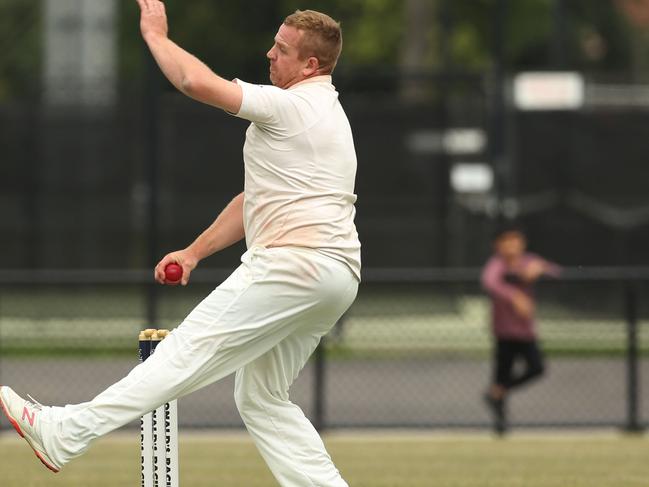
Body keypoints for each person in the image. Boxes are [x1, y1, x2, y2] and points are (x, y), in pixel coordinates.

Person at [0, 4, 360, 486]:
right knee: (261, 396)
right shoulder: (328, 115)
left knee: (181, 354)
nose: (269, 53)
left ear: (311, 66)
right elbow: (253, 199)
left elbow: (195, 82)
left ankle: (65, 432)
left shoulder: (292, 106)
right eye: (274, 42)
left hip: (292, 266)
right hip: (337, 277)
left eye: (283, 49)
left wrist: (156, 37)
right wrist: (194, 252)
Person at [481, 225, 560, 434]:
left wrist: (541, 269)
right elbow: (490, 282)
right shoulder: (496, 265)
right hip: (504, 331)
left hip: (526, 332)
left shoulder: (529, 261)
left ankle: (496, 392)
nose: (512, 246)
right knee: (501, 373)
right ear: (497, 245)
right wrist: (514, 296)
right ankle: (501, 425)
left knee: (536, 368)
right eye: (507, 242)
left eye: (515, 241)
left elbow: (556, 272)